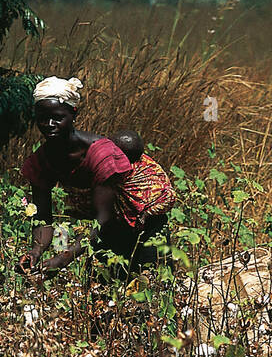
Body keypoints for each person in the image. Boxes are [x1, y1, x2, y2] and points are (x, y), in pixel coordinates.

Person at [19, 77, 176, 279]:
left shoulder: (101, 155)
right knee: (105, 297)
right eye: (42, 117)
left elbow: (103, 219)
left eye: (57, 117)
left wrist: (63, 259)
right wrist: (36, 252)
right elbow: (43, 218)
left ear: (73, 114)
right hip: (106, 237)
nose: (49, 124)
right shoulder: (41, 161)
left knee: (153, 288)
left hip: (144, 229)